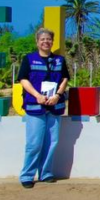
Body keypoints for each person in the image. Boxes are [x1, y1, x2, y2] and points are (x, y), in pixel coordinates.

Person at [17, 28, 70, 188]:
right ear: (37, 41)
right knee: (34, 143)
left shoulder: (59, 60)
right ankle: (27, 175)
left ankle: (46, 173)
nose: (46, 42)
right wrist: (37, 96)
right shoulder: (29, 59)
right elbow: (23, 80)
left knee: (52, 142)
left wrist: (58, 95)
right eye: (43, 39)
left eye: (49, 39)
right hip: (35, 106)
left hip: (54, 107)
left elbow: (65, 78)